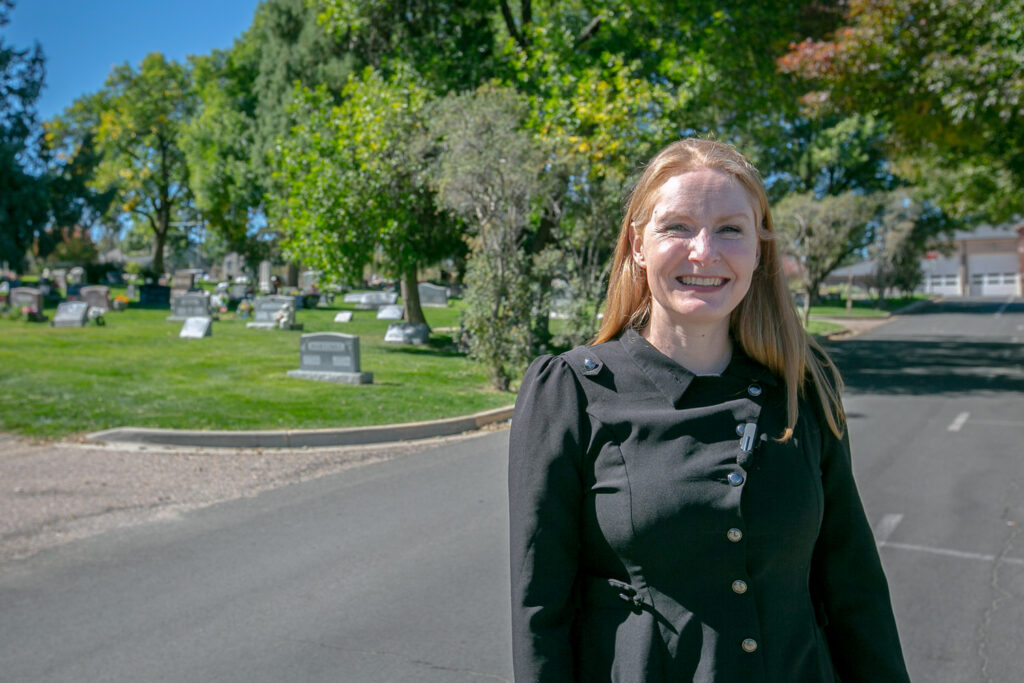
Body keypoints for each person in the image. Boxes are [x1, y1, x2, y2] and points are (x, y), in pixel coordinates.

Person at [508, 138, 910, 682]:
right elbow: (540, 612)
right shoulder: (572, 392)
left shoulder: (802, 388)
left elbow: (854, 589)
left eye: (730, 229)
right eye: (677, 227)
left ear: (759, 249)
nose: (704, 251)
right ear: (638, 245)